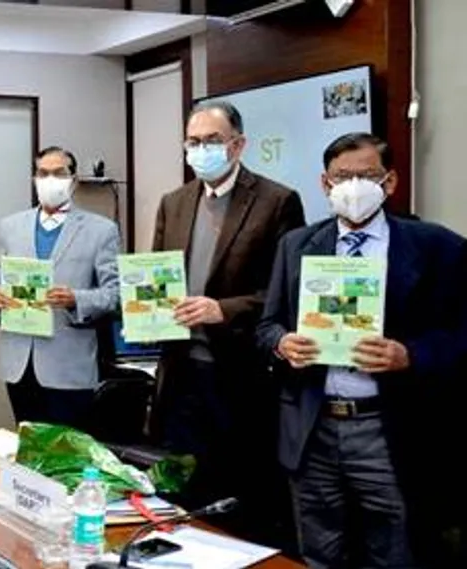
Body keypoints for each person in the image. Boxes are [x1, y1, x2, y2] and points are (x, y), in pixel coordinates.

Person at [257, 132, 467, 568]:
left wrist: (410, 355)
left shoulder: (437, 247)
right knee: (319, 550)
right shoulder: (296, 246)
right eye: (342, 176)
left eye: (366, 175)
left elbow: (460, 334)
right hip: (313, 426)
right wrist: (281, 343)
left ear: (389, 183)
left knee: (396, 549)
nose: (353, 186)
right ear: (324, 183)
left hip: (389, 426)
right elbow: (266, 325)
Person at [152, 100, 305, 540]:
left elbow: (287, 294)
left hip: (239, 374)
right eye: (193, 142)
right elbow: (158, 277)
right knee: (181, 492)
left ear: (238, 145)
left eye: (212, 141)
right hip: (180, 371)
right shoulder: (174, 202)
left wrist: (224, 309)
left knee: (239, 494)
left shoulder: (277, 201)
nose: (201, 150)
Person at [0, 147, 119, 428]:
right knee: (28, 454)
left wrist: (76, 299)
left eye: (59, 173)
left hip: (68, 364)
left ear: (74, 180)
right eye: (43, 173)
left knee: (64, 457)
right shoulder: (11, 226)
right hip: (19, 363)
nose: (49, 180)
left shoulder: (101, 230)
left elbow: (116, 293)